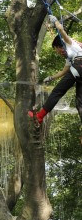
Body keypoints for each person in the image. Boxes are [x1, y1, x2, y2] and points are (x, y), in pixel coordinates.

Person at [28, 15, 82, 143]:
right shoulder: (71, 55)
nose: (58, 52)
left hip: (80, 67)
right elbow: (64, 71)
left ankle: (40, 116)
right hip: (79, 70)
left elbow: (61, 31)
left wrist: (55, 21)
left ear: (60, 46)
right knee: (79, 102)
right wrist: (51, 77)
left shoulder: (70, 44)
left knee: (57, 92)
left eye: (57, 50)